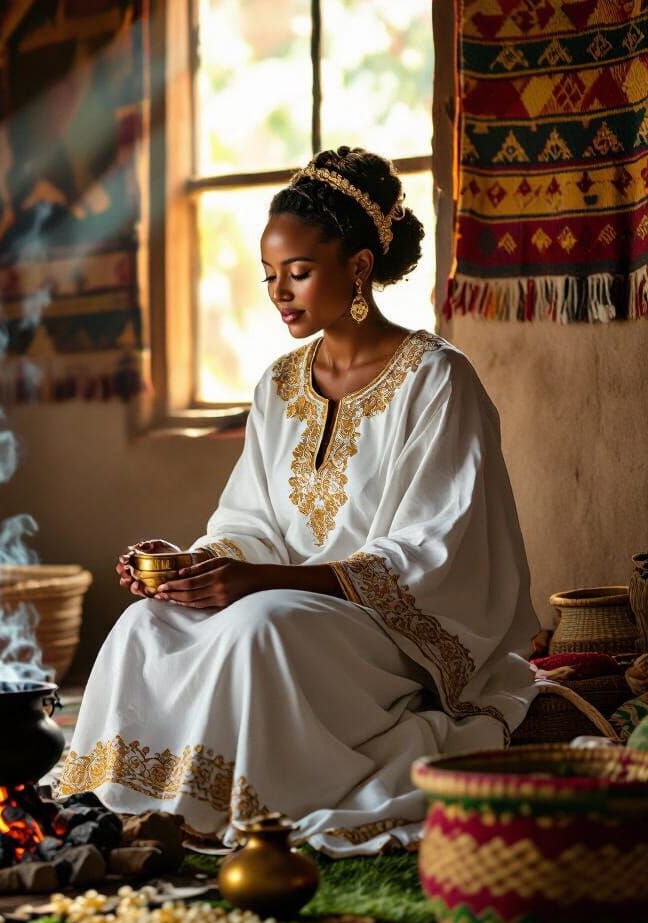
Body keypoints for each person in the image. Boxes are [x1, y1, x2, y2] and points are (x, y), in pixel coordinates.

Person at [58, 147, 539, 855]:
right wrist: (194, 564)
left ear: (359, 267)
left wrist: (262, 581)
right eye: (270, 276)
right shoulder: (278, 385)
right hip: (281, 601)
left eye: (299, 273)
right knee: (144, 625)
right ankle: (127, 810)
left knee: (260, 627)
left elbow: (434, 551)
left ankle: (222, 815)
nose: (279, 292)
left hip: (386, 629)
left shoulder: (438, 380)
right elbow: (251, 526)